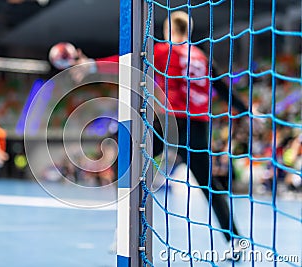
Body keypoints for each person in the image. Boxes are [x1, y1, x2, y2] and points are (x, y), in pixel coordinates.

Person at [67, 11, 251, 254]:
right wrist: (246, 112)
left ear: (168, 30)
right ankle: (236, 240)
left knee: (132, 172)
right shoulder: (202, 57)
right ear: (189, 30)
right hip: (198, 126)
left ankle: (123, 234)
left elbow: (129, 62)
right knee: (209, 185)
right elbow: (224, 89)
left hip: (168, 122)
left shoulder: (166, 51)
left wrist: (92, 65)